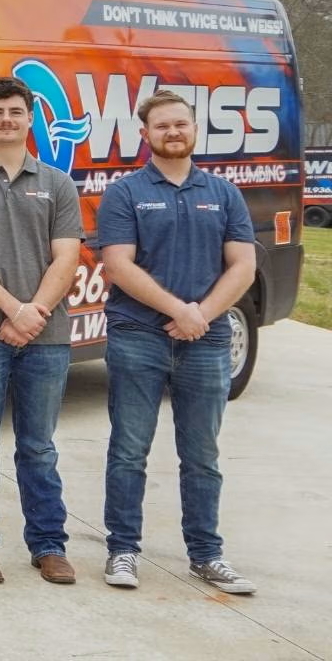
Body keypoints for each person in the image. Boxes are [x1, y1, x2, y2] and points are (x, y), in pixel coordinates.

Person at [96, 90, 258, 595]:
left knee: (202, 454)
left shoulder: (225, 193)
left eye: (180, 124)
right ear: (145, 135)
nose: (173, 132)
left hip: (205, 342)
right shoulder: (124, 193)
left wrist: (202, 316)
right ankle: (123, 550)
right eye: (162, 126)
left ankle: (207, 556)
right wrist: (179, 311)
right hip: (137, 337)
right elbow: (118, 265)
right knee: (128, 450)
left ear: (194, 130)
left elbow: (243, 266)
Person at [0, 76, 84, 585]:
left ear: (30, 120)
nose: (6, 120)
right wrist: (11, 308)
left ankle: (49, 545)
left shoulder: (57, 183)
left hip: (46, 336)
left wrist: (34, 313)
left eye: (15, 112)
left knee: (38, 445)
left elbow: (67, 256)